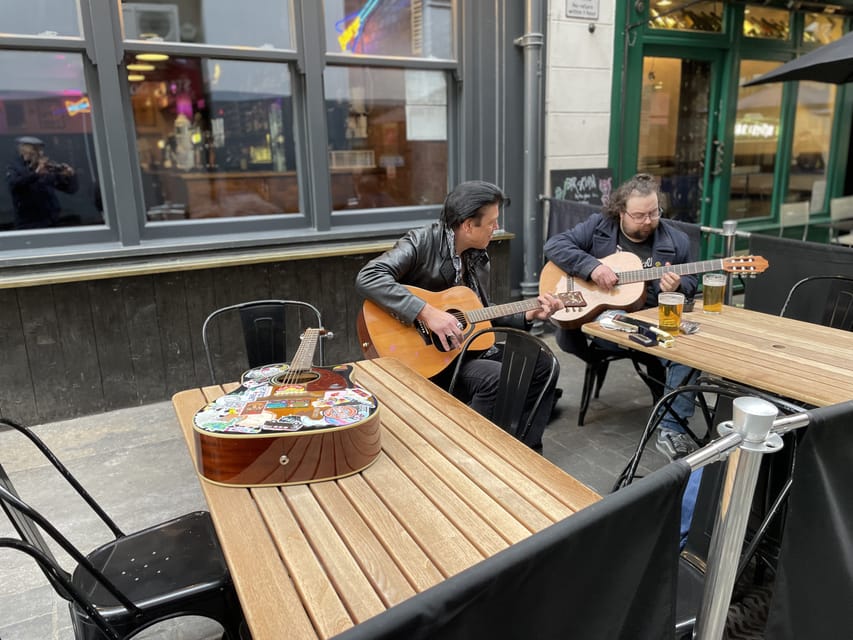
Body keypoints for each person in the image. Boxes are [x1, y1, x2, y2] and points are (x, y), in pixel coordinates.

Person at [355, 180, 564, 451]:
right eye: (491, 222)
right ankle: (469, 453)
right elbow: (368, 277)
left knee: (544, 363)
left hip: (462, 350)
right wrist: (427, 312)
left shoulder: (477, 257)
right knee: (496, 379)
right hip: (427, 358)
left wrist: (528, 314)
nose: (496, 228)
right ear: (467, 225)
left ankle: (523, 447)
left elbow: (479, 315)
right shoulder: (422, 241)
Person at [544, 173, 699, 460]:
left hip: (650, 322)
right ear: (620, 212)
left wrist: (678, 285)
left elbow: (692, 282)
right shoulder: (600, 226)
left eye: (654, 212)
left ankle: (672, 428)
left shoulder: (675, 241)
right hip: (603, 326)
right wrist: (592, 267)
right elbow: (555, 245)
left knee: (688, 352)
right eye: (639, 215)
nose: (648, 221)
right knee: (611, 317)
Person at [5, 136, 79, 229]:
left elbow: (70, 189)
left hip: (52, 222)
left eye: (40, 150)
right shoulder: (14, 168)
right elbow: (14, 184)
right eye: (35, 150)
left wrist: (70, 176)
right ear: (23, 151)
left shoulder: (47, 168)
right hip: (27, 223)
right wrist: (36, 174)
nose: (40, 153)